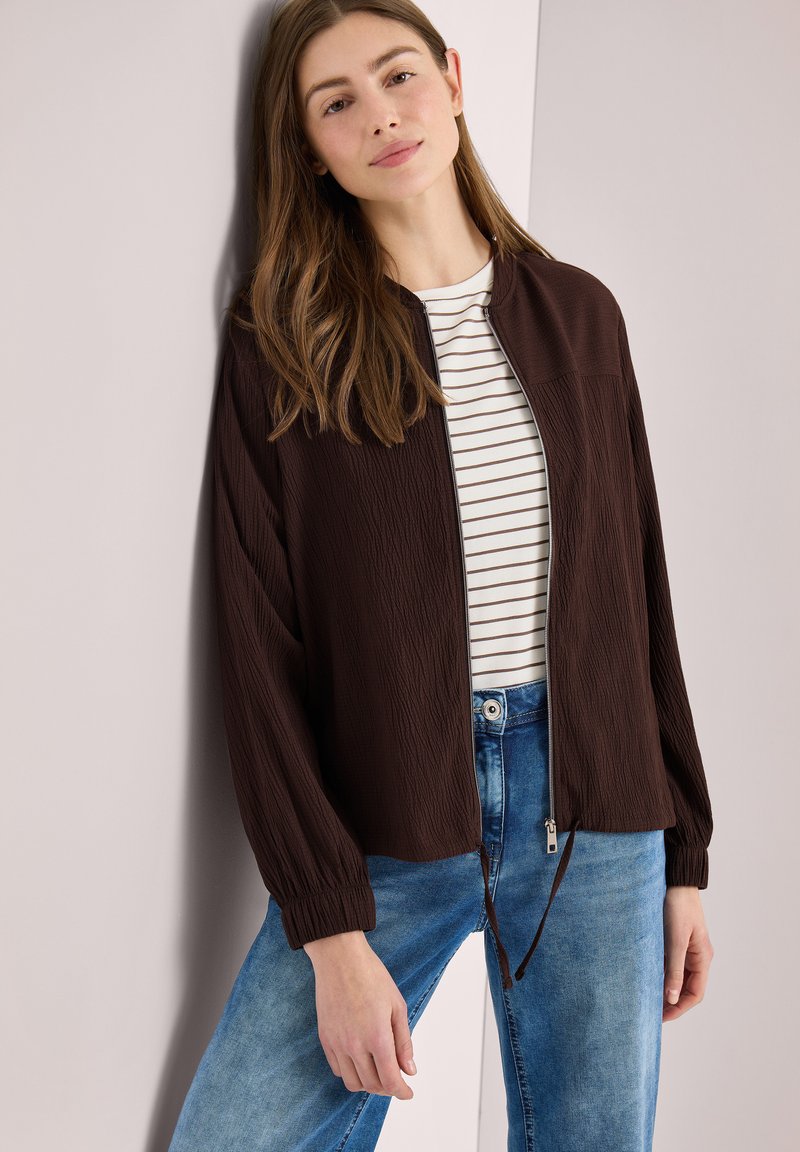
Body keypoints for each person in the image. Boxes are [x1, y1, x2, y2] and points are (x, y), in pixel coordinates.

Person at [168, 1, 715, 1149]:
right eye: (336, 102)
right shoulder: (283, 344)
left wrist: (681, 857)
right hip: (384, 823)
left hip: (596, 820)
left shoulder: (579, 316)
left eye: (398, 75)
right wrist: (329, 930)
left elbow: (637, 599)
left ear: (453, 81)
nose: (381, 115)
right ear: (308, 149)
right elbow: (258, 650)